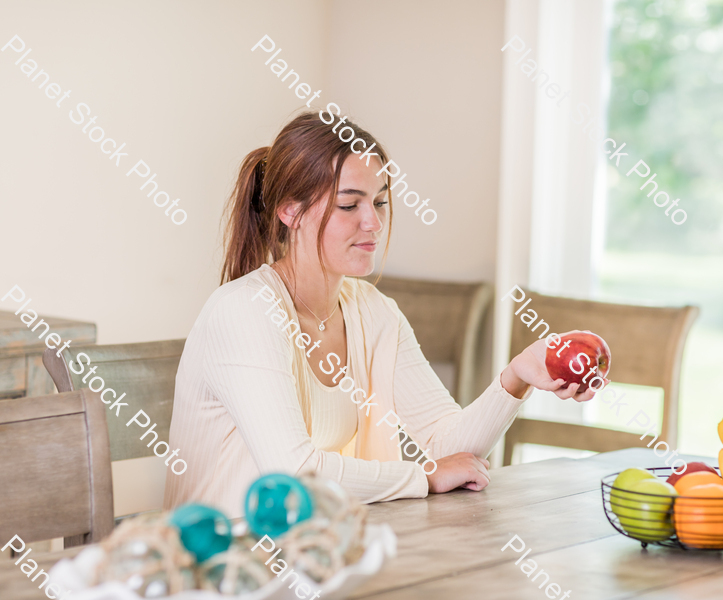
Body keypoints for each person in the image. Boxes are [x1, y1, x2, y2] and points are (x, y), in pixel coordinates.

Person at [164, 111, 604, 517]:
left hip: (316, 556)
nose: (373, 222)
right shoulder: (245, 311)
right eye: (349, 204)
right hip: (223, 568)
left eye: (380, 202)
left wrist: (517, 376)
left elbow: (446, 446)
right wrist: (423, 477)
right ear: (290, 211)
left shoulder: (373, 312)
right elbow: (294, 474)